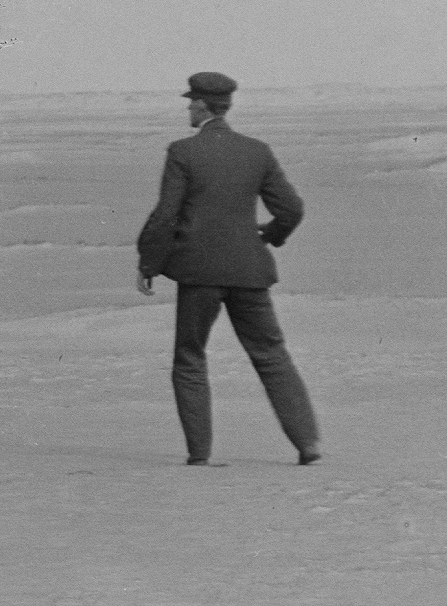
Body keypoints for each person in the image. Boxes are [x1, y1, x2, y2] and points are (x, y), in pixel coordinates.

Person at [135, 71, 320, 466]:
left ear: (202, 105)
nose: (188, 107)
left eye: (191, 102)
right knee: (271, 355)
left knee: (190, 357)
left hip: (198, 273)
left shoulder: (183, 151)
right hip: (250, 271)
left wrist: (149, 262)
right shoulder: (257, 151)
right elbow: (292, 208)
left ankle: (199, 455)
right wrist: (269, 235)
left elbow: (166, 215)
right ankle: (308, 444)